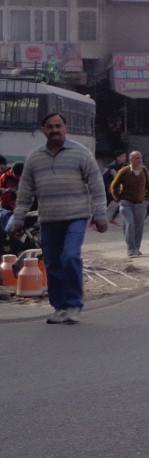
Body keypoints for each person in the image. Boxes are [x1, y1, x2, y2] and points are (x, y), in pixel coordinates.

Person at [6, 113, 109, 324]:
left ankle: (73, 305)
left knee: (70, 256)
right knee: (52, 263)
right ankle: (59, 307)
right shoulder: (35, 158)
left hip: (76, 217)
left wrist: (100, 215)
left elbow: (97, 187)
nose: (55, 130)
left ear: (65, 128)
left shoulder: (81, 153)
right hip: (49, 219)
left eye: (58, 126)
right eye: (50, 126)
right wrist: (17, 220)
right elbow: (25, 193)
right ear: (44, 130)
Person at [110, 151, 149, 258]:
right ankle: (130, 249)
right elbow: (113, 186)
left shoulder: (144, 170)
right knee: (129, 223)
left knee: (139, 227)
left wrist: (146, 199)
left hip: (141, 203)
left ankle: (136, 249)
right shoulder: (124, 171)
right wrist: (118, 199)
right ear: (131, 160)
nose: (140, 160)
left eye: (140, 158)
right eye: (137, 158)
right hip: (126, 203)